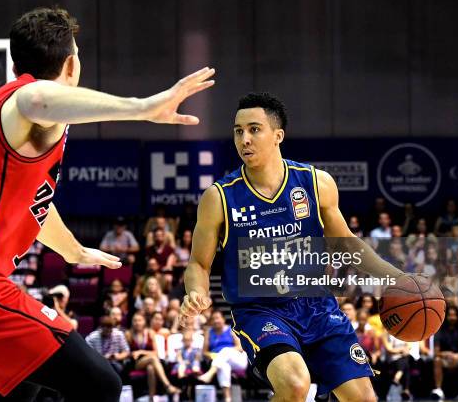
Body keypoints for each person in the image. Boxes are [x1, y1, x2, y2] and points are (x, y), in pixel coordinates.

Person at [0, 7, 215, 402]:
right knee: (101, 383)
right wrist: (143, 108)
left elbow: (30, 204)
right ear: (72, 64)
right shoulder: (23, 99)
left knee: (24, 384)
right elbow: (37, 98)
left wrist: (74, 250)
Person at [181, 92, 407, 402]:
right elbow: (198, 264)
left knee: (364, 399)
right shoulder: (219, 198)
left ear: (278, 135)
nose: (244, 139)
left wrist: (398, 278)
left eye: (254, 129)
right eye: (238, 131)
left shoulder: (316, 183)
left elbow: (347, 246)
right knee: (295, 383)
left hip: (316, 307)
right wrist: (196, 292)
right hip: (260, 311)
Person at [125, 312, 181, 398]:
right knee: (153, 359)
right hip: (135, 363)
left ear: (144, 322)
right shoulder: (128, 334)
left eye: (139, 320)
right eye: (135, 320)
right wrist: (134, 354)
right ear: (132, 322)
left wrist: (141, 352)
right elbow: (127, 352)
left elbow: (156, 352)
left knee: (150, 367)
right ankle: (167, 385)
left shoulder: (150, 333)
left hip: (149, 360)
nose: (137, 323)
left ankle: (151, 398)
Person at [197, 310, 248, 402]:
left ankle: (210, 373)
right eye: (213, 319)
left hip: (237, 359)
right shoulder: (209, 332)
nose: (216, 321)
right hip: (219, 360)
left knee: (225, 350)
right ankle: (227, 398)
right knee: (224, 366)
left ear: (223, 319)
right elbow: (204, 352)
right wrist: (213, 355)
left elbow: (240, 347)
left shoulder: (231, 330)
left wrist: (223, 354)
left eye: (218, 318)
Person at [431, 305, 458, 400]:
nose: (452, 318)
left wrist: (456, 356)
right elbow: (436, 352)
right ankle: (438, 389)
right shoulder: (439, 331)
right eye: (450, 315)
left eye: (454, 315)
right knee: (437, 360)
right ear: (446, 317)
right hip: (444, 359)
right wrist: (446, 354)